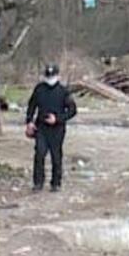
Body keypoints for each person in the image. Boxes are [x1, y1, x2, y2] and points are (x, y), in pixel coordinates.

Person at [25, 63, 77, 192]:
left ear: (58, 76)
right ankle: (38, 183)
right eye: (48, 76)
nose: (50, 79)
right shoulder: (39, 89)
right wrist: (29, 121)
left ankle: (56, 183)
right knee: (39, 154)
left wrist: (58, 119)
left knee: (56, 155)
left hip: (57, 128)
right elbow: (31, 106)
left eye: (52, 76)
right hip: (41, 127)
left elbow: (72, 110)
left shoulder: (63, 91)